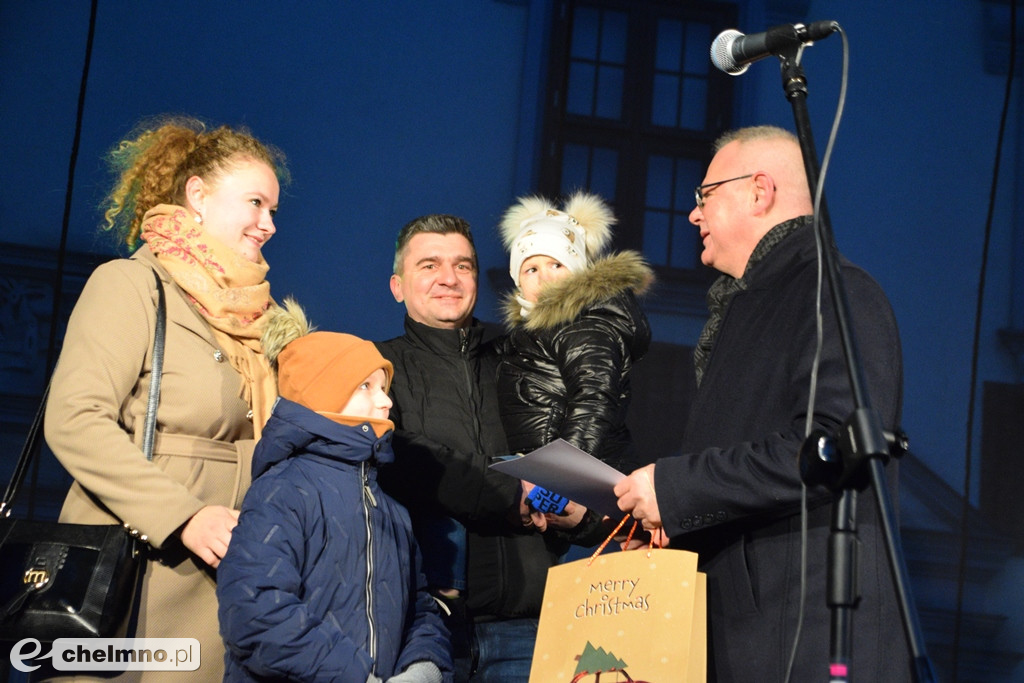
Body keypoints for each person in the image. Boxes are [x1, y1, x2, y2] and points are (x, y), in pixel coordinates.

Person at [613, 125, 911, 682]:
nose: (692, 215)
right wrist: (668, 516)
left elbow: (828, 447)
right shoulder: (751, 305)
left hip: (805, 634)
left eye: (704, 196)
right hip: (751, 630)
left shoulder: (837, 291)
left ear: (760, 191)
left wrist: (676, 489)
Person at [43, 116, 285, 681]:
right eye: (255, 203)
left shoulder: (260, 318)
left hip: (234, 579)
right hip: (141, 577)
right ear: (197, 196)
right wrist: (183, 518)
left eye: (274, 210)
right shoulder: (131, 285)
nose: (268, 224)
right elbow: (75, 419)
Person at [217, 300, 453, 683]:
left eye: (384, 386)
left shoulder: (392, 508)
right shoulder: (282, 492)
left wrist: (423, 669)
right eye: (366, 386)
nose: (386, 400)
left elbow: (419, 605)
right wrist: (355, 676)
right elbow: (254, 613)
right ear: (323, 396)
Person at [376, 214, 562, 682]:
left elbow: (566, 454)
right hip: (420, 628)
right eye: (429, 265)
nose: (448, 278)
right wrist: (507, 491)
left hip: (529, 628)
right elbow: (396, 457)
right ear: (397, 285)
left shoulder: (522, 361)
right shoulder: (376, 366)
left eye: (463, 266)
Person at [495, 190, 653, 482]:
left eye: (557, 265)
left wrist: (562, 479)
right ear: (518, 282)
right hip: (548, 474)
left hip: (582, 482)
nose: (545, 277)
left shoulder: (584, 325)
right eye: (531, 269)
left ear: (579, 271)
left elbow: (593, 399)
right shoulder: (535, 333)